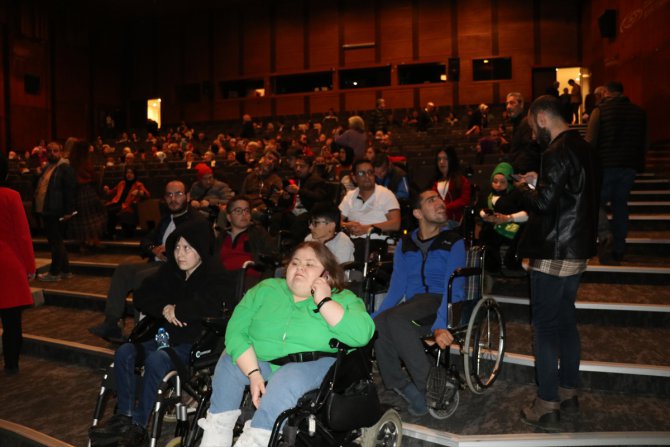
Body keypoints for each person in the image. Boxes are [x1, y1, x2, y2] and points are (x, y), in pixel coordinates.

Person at [197, 241, 375, 447]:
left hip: (316, 365)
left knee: (287, 376)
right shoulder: (266, 289)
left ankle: (257, 439)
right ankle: (216, 435)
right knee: (230, 361)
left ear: (326, 274)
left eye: (309, 264)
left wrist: (324, 301)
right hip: (264, 362)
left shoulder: (343, 298)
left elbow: (362, 335)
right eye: (295, 263)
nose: (300, 268)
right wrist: (253, 372)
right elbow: (236, 330)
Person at [88, 220, 230, 447]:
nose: (180, 254)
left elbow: (211, 305)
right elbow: (142, 295)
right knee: (125, 351)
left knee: (157, 359)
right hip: (162, 338)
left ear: (201, 249)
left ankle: (138, 427)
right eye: (177, 247)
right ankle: (125, 417)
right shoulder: (170, 271)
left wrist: (179, 310)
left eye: (187, 248)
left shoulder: (215, 275)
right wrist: (164, 307)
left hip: (192, 345)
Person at [517, 95, 598, 431]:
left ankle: (547, 402)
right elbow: (572, 194)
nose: (534, 134)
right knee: (566, 321)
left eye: (533, 126)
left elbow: (545, 204)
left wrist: (526, 188)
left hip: (553, 250)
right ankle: (568, 392)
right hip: (577, 249)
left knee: (546, 328)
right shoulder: (585, 147)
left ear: (541, 117)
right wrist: (541, 183)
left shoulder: (555, 151)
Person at [373, 189, 466, 416]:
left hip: (442, 301)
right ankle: (402, 386)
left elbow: (454, 286)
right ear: (417, 213)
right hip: (415, 304)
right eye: (431, 200)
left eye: (440, 198)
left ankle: (431, 388)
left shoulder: (453, 241)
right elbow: (397, 288)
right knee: (380, 323)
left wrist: (441, 324)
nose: (440, 203)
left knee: (396, 319)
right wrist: (373, 318)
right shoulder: (405, 244)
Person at [88, 180, 207, 341]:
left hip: (177, 268)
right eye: (169, 195)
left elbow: (201, 251)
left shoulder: (196, 221)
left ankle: (140, 331)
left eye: (178, 194)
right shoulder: (166, 218)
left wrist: (171, 251)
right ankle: (112, 323)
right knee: (123, 270)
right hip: (158, 263)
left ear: (187, 196)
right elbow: (145, 241)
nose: (173, 199)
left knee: (142, 277)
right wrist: (153, 248)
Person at [585, 81, 647, 264]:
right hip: (629, 166)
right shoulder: (639, 112)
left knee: (595, 202)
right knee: (620, 204)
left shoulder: (599, 111)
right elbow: (645, 142)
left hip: (605, 165)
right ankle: (619, 248)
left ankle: (605, 235)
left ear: (606, 92)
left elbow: (590, 141)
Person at [0, 154, 36, 375]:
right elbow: (23, 235)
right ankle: (11, 364)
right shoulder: (11, 196)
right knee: (12, 322)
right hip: (8, 265)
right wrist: (29, 266)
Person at [339, 159, 401, 259]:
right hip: (351, 241)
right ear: (354, 177)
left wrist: (367, 228)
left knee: (355, 247)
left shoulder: (385, 194)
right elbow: (335, 220)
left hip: (376, 240)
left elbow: (395, 224)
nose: (367, 176)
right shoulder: (350, 196)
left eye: (370, 172)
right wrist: (347, 225)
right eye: (361, 173)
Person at [34, 141, 77, 282]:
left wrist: (68, 210)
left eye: (55, 151)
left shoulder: (65, 168)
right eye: (49, 151)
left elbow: (70, 190)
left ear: (61, 152)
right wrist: (37, 174)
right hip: (47, 209)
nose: (52, 153)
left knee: (55, 242)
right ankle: (66, 271)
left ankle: (54, 272)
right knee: (56, 241)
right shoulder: (48, 167)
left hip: (56, 210)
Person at [478, 162, 528, 272]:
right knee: (487, 234)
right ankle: (491, 267)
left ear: (509, 182)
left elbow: (527, 214)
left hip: (512, 229)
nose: (498, 185)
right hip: (492, 228)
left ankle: (512, 262)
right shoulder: (486, 193)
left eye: (502, 182)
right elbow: (480, 209)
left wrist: (507, 217)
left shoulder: (516, 194)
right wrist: (485, 215)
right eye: (495, 181)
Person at [217, 195, 276, 284]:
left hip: (249, 280)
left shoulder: (258, 233)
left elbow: (271, 260)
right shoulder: (222, 237)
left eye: (247, 211)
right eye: (238, 211)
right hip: (222, 279)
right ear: (229, 217)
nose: (244, 214)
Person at [67, 138, 107, 252]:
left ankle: (85, 243)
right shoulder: (85, 161)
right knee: (95, 216)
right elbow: (92, 175)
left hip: (77, 193)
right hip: (87, 191)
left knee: (82, 219)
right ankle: (93, 241)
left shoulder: (71, 161)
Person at [104, 166, 150, 238]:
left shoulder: (138, 184)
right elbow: (111, 192)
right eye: (127, 173)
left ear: (134, 175)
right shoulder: (121, 183)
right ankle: (110, 233)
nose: (129, 174)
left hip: (127, 206)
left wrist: (138, 192)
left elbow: (147, 195)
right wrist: (107, 190)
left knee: (111, 211)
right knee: (105, 209)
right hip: (116, 203)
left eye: (131, 173)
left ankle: (111, 233)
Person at [432, 147, 471, 228]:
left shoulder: (461, 179)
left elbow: (465, 200)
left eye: (445, 159)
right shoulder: (435, 182)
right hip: (438, 219)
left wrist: (446, 207)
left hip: (454, 220)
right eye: (439, 159)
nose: (441, 162)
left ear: (451, 160)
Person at [504, 92, 541, 175]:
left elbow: (530, 151)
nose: (508, 107)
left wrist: (518, 172)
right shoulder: (518, 122)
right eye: (507, 104)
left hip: (525, 174)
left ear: (521, 105)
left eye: (512, 103)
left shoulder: (526, 122)